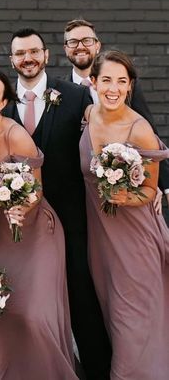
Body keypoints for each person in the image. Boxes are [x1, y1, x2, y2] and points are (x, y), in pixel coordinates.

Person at [2, 28, 112, 380]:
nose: (27, 58)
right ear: (12, 60)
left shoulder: (78, 96)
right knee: (25, 303)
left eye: (34, 51)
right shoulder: (0, 101)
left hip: (70, 218)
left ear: (47, 55)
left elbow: (103, 143)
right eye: (20, 53)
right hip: (18, 223)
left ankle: (97, 371)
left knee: (81, 299)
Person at [0, 70, 76, 379]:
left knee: (33, 315)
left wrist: (21, 206)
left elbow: (37, 191)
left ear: (2, 102)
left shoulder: (14, 134)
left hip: (34, 233)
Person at [80, 50, 169, 379]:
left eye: (121, 81)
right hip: (102, 243)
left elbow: (149, 190)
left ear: (130, 85)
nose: (113, 88)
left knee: (135, 326)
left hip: (136, 242)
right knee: (116, 323)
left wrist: (125, 196)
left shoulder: (139, 128)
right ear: (94, 82)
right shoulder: (89, 116)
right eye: (106, 80)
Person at [63, 18, 169, 210]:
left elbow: (149, 137)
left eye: (87, 40)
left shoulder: (126, 88)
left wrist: (162, 185)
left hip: (126, 198)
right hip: (81, 197)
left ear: (97, 45)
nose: (80, 46)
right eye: (73, 42)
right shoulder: (61, 93)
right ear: (66, 48)